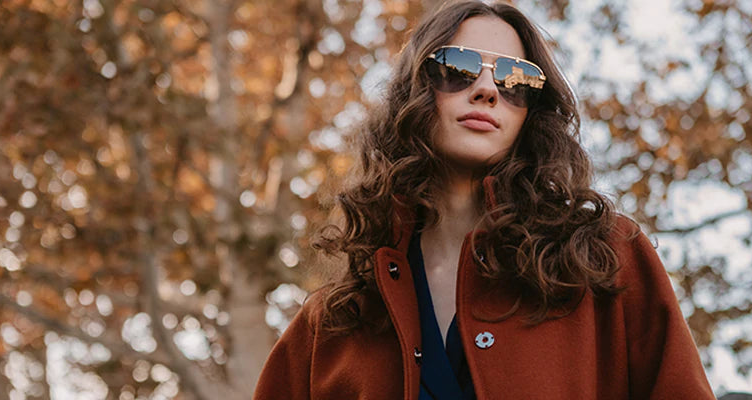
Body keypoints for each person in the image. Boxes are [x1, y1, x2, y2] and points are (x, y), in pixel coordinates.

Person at [253, 2, 715, 399]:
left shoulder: (605, 256)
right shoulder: (334, 319)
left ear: (533, 110)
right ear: (416, 89)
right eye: (457, 67)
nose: (488, 90)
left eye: (517, 79)